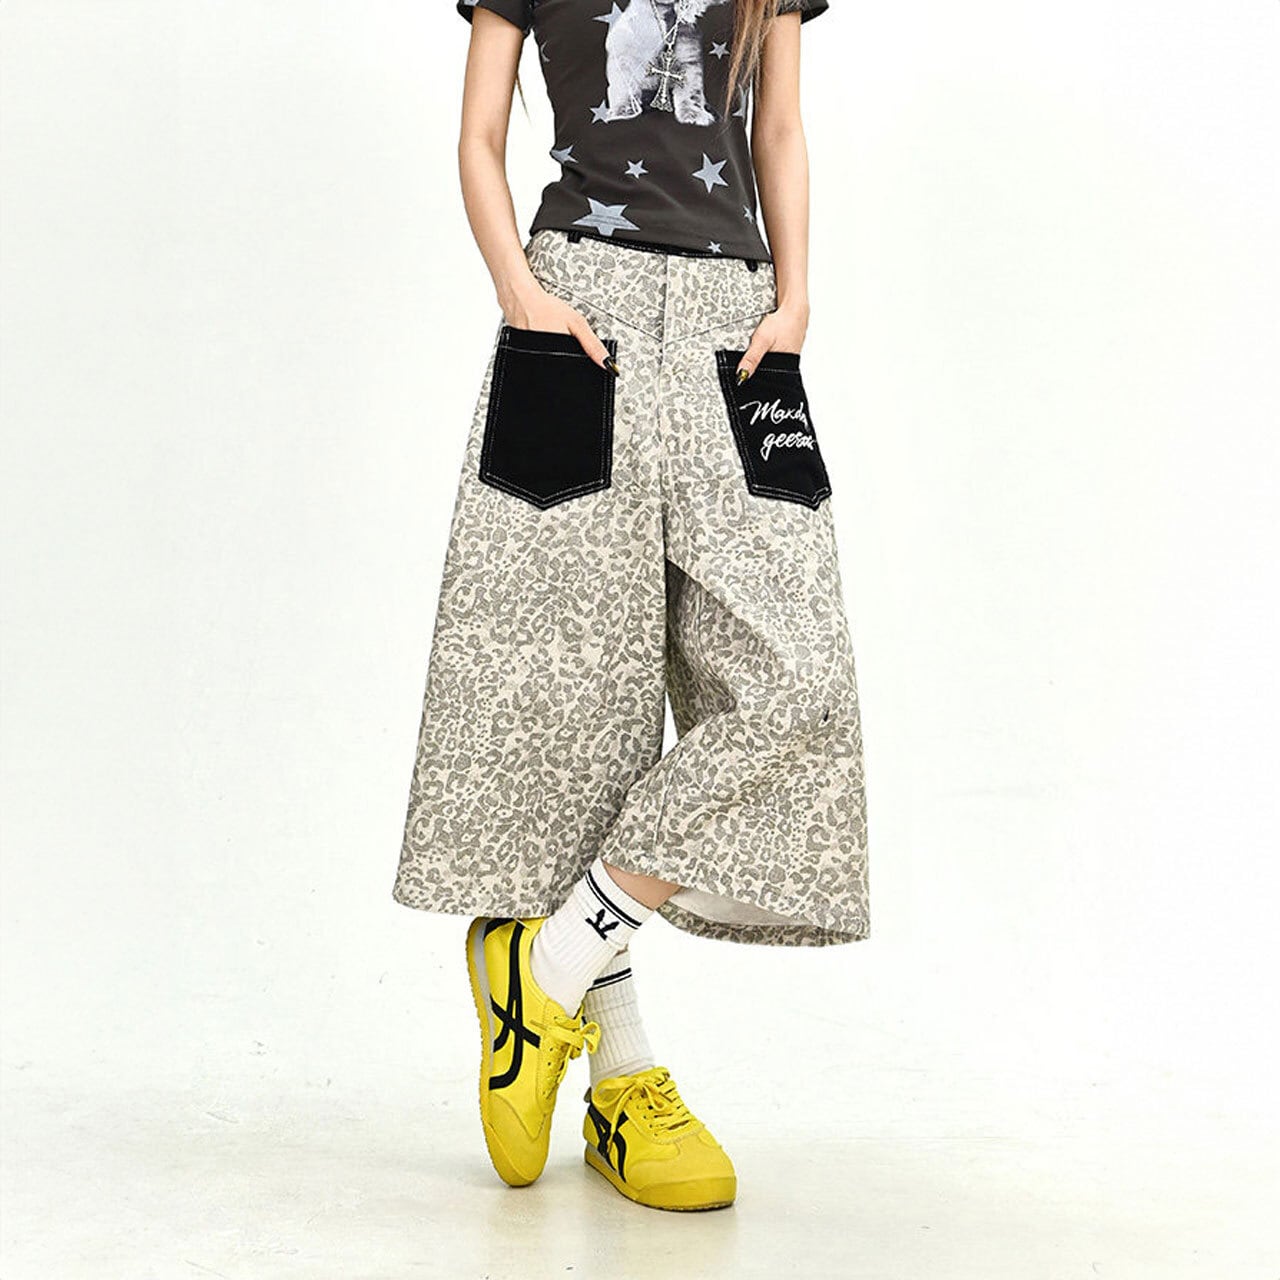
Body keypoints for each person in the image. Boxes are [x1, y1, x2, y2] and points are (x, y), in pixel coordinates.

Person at [393, 0, 868, 1212]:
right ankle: (621, 1074)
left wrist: (794, 300)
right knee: (569, 702)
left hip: (736, 328)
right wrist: (519, 293)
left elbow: (777, 127)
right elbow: (477, 136)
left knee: (796, 677)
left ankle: (543, 967)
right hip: (576, 308)